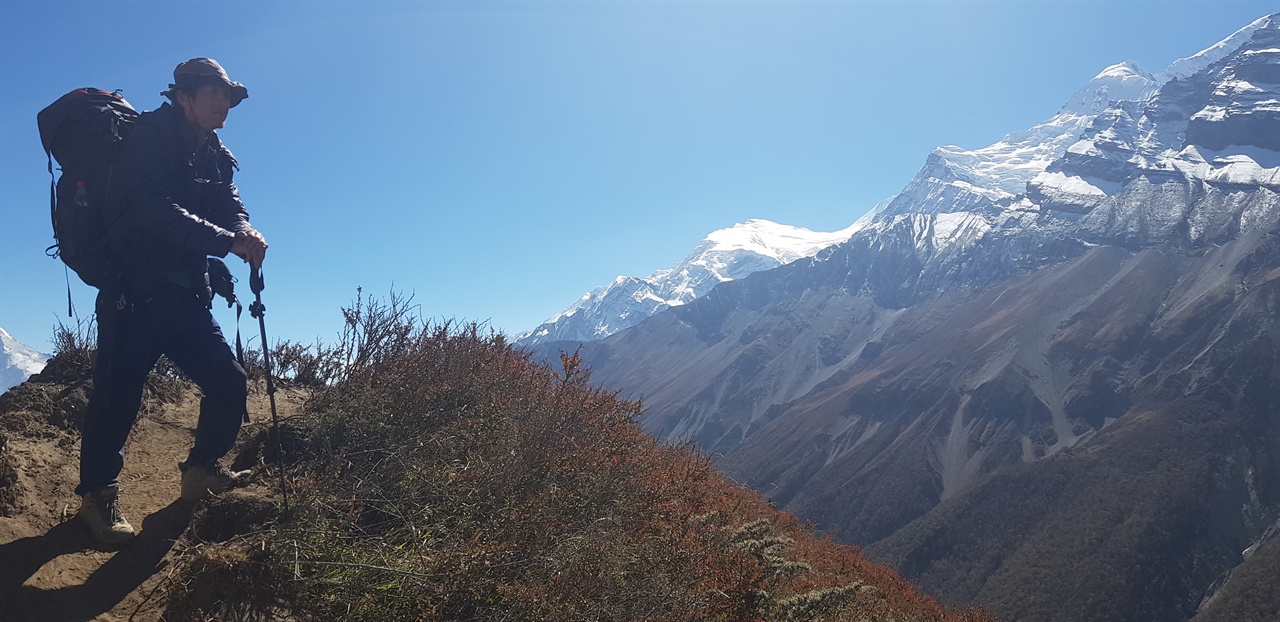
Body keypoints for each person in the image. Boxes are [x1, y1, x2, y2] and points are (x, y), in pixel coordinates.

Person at [75, 58, 269, 545]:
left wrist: (244, 229)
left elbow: (229, 200)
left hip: (187, 292)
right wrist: (227, 241)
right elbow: (152, 209)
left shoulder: (216, 153)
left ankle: (200, 470)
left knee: (228, 381)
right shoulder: (148, 137)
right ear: (183, 96)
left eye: (228, 97)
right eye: (215, 94)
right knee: (118, 397)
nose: (225, 104)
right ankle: (97, 495)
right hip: (134, 291)